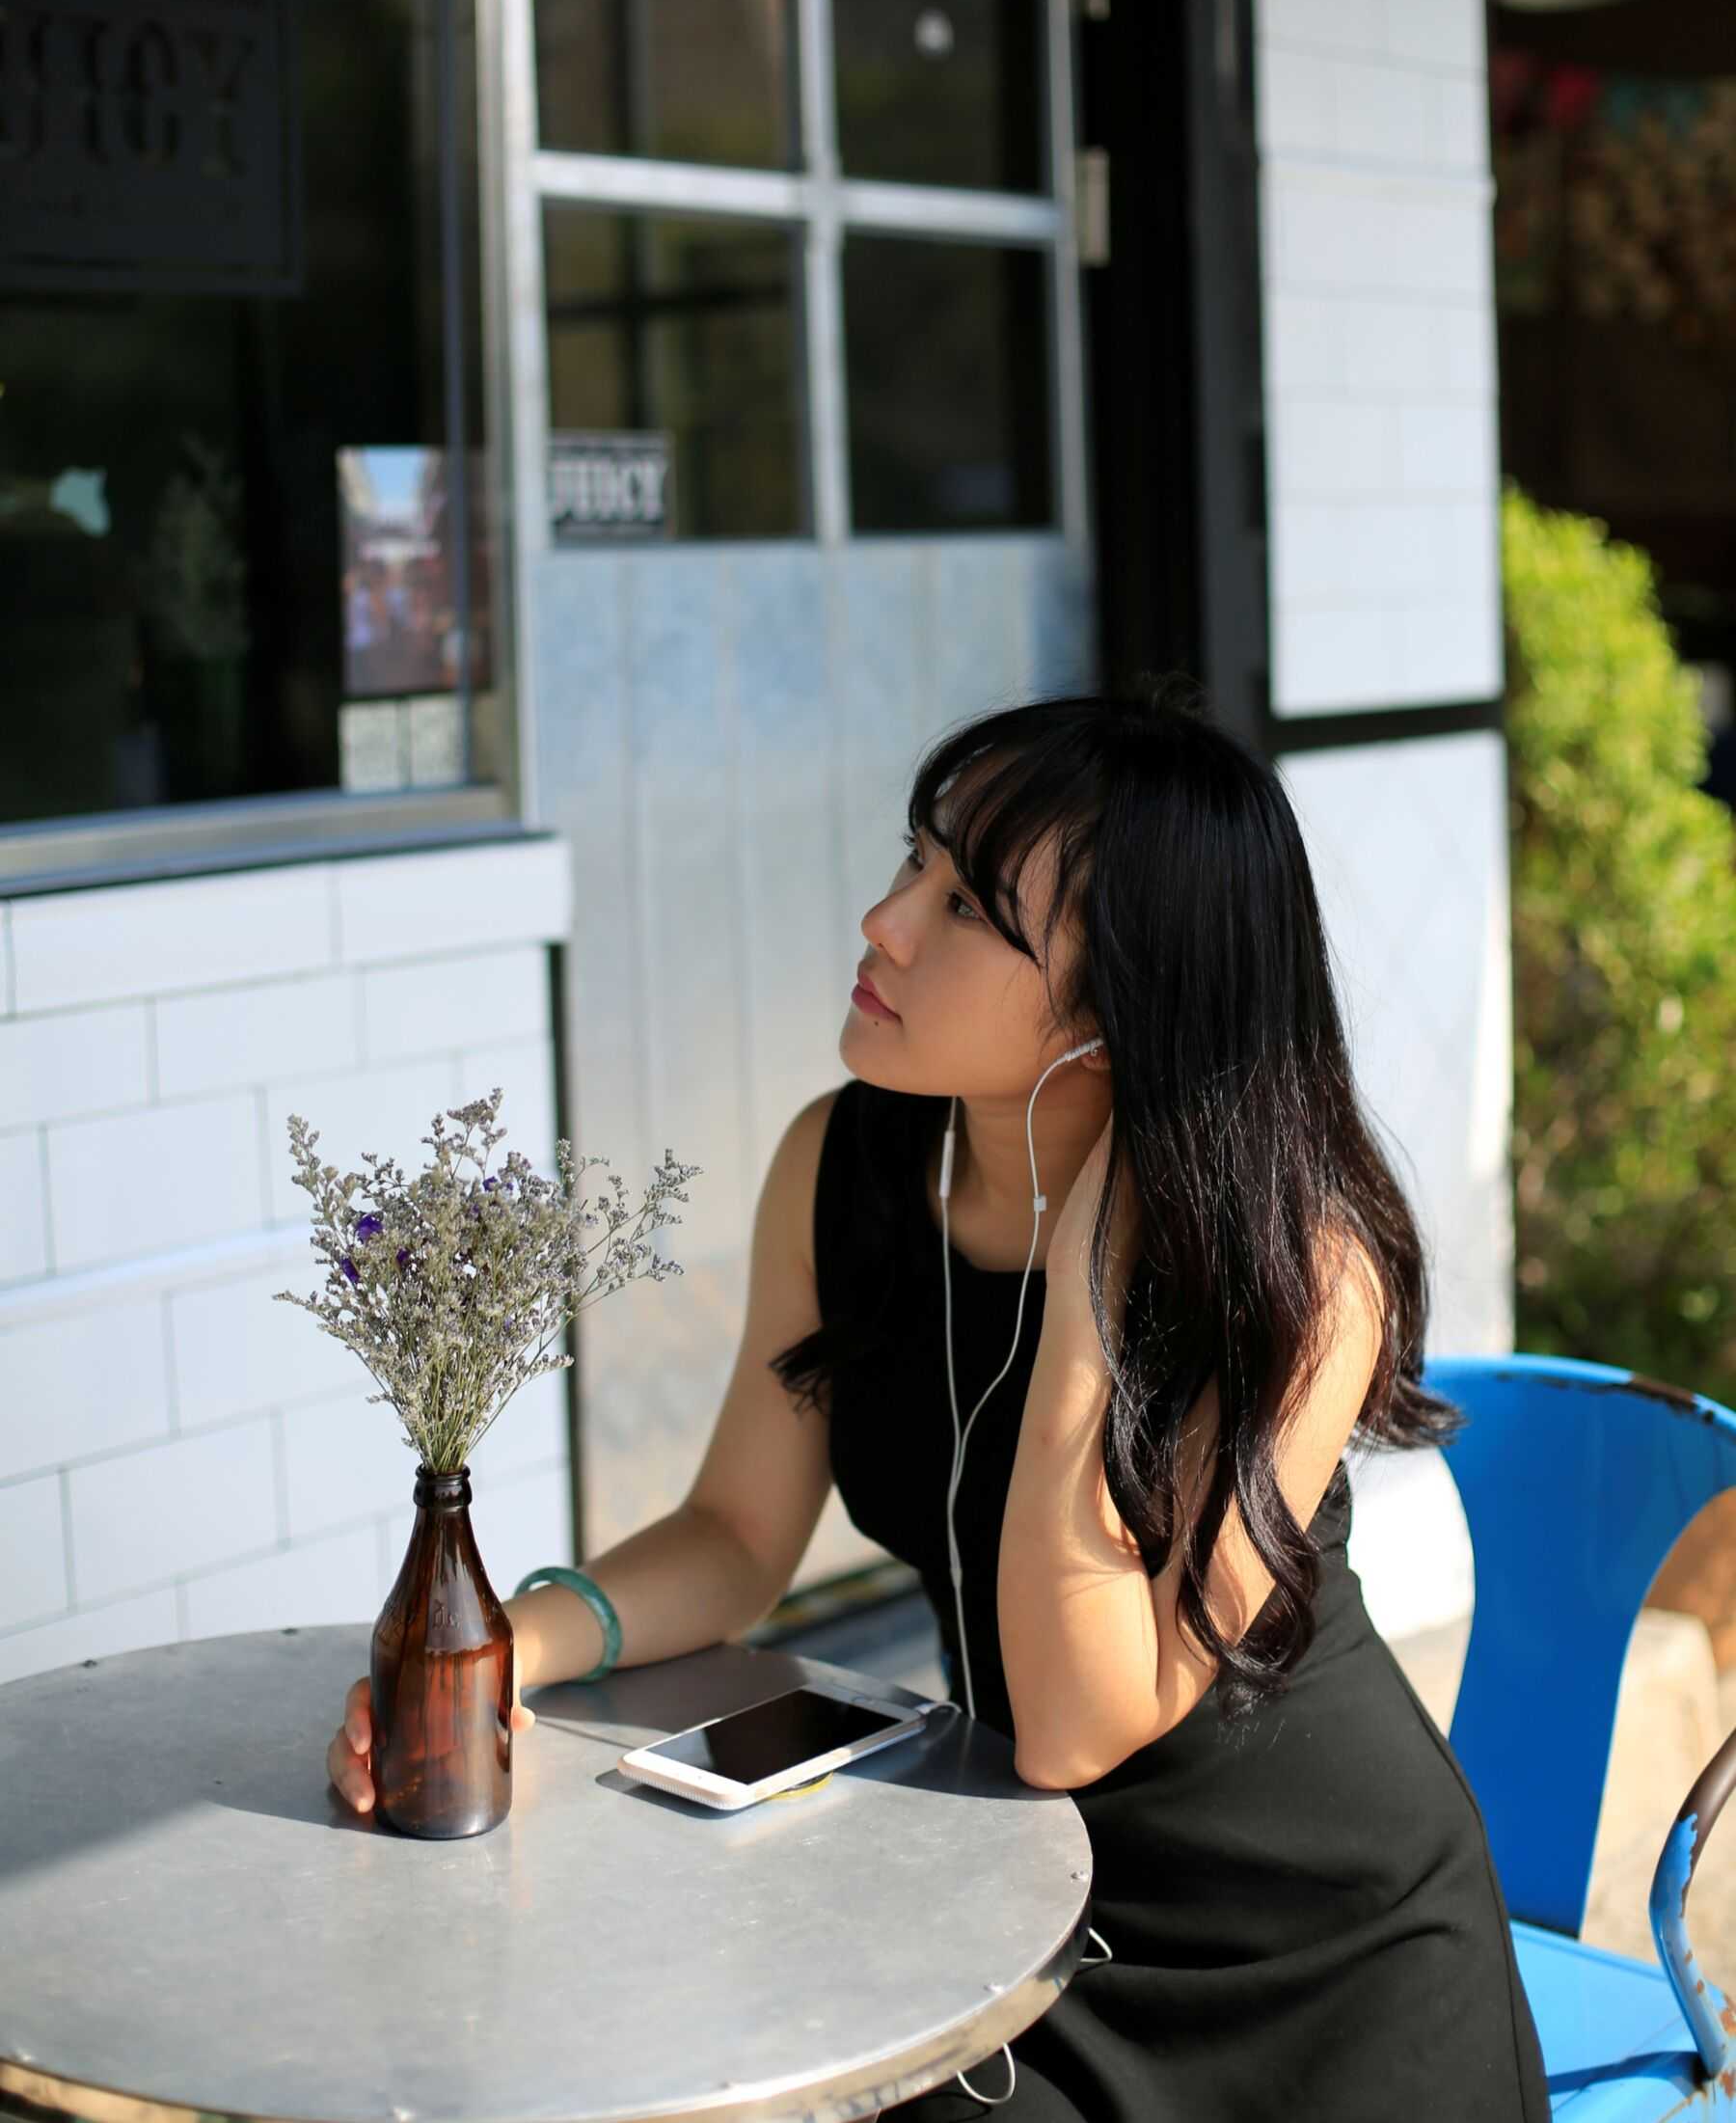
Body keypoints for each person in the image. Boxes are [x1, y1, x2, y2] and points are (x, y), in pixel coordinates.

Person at [326, 673, 1551, 2123]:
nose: (884, 922)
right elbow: (737, 1533)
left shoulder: (1299, 1267)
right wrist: (502, 1652)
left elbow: (1081, 1724)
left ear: (1122, 1007)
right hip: (1021, 1902)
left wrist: (1086, 1284)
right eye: (915, 862)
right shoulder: (841, 1168)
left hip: (1330, 1970)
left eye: (966, 906)